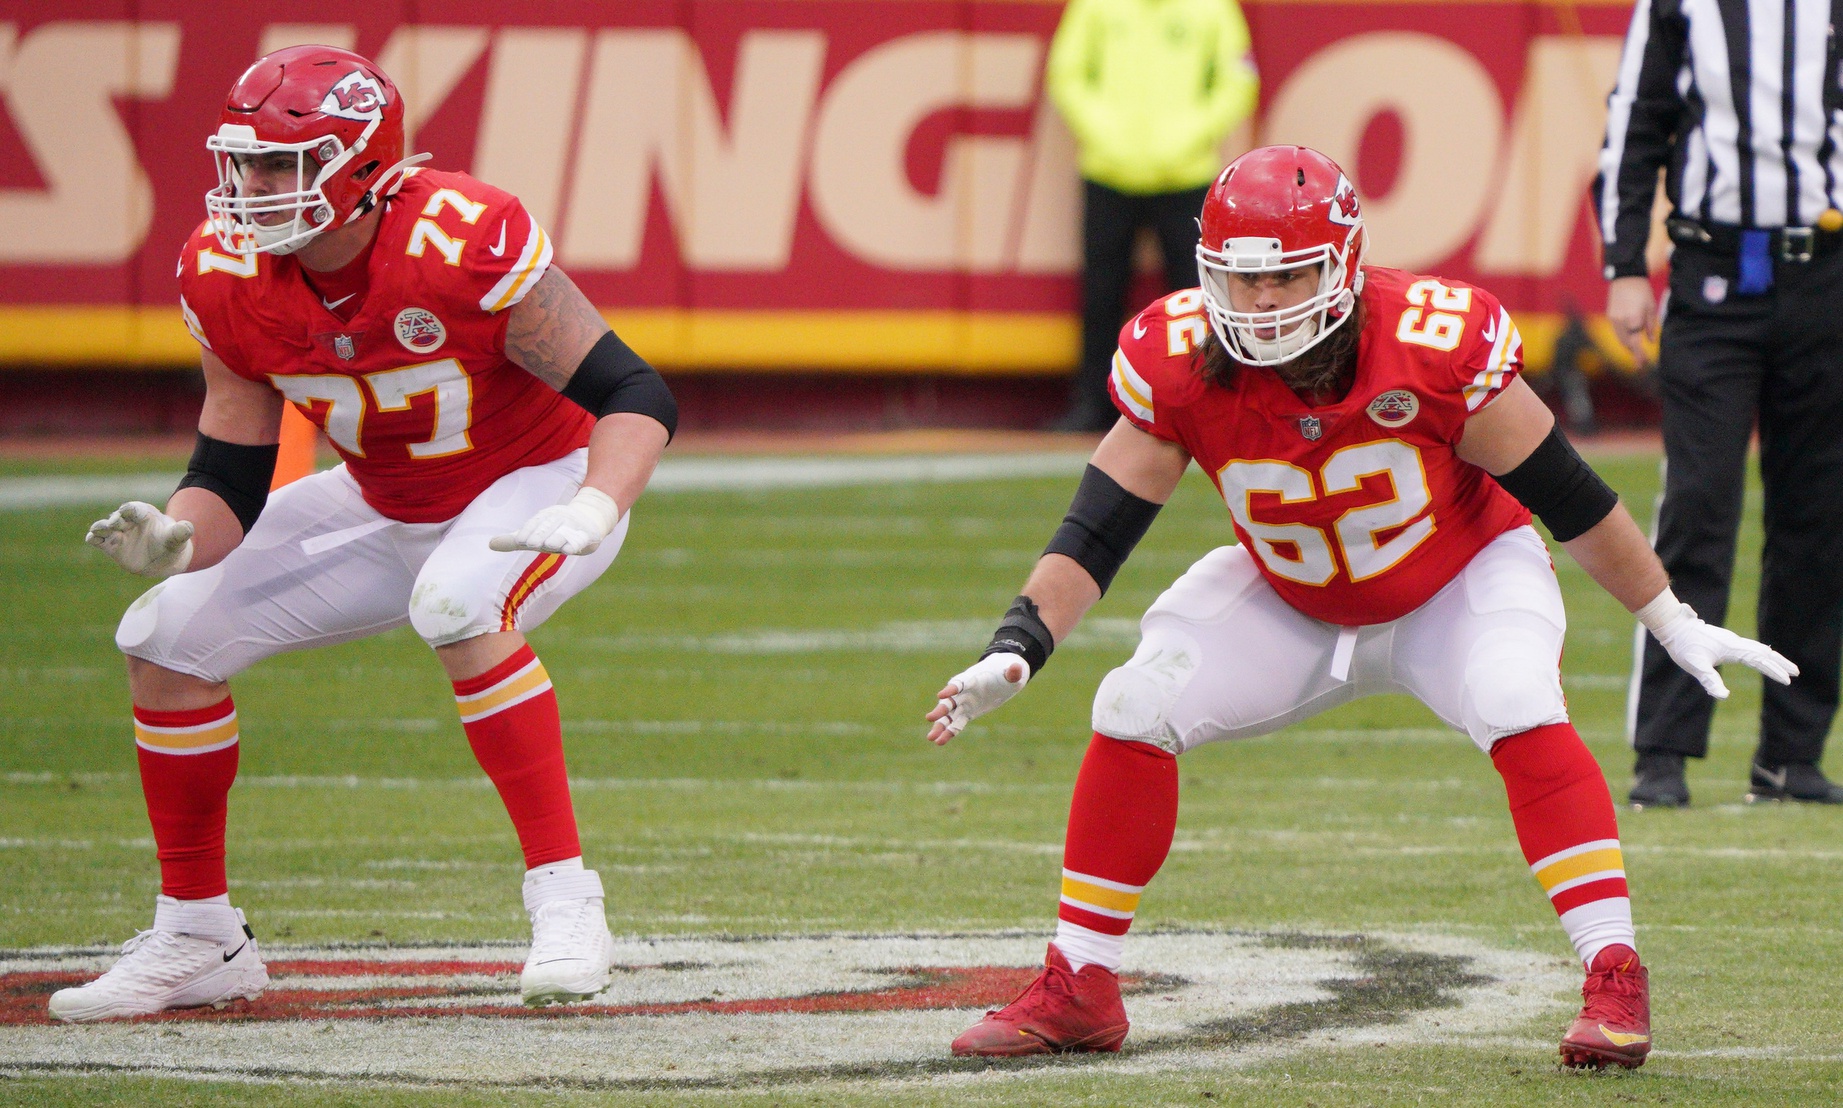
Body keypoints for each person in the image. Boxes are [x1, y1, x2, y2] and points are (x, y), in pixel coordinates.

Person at [925, 145, 1797, 1069]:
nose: (1261, 303)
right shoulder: (1177, 355)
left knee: (1513, 697)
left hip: (1456, 578)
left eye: (1286, 275)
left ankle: (1613, 975)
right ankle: (1081, 987)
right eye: (1241, 278)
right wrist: (1017, 646)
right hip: (1293, 592)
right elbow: (1097, 529)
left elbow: (1569, 496)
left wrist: (1669, 618)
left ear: (1340, 262)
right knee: (1132, 705)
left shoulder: (1430, 339)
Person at [54, 46, 677, 1021]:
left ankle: (567, 902)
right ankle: (199, 932)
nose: (250, 188)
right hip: (388, 498)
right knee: (162, 637)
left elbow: (634, 392)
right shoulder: (223, 272)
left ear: (360, 169)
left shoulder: (459, 237)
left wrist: (594, 505)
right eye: (243, 163)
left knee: (458, 602)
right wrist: (174, 537)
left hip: (537, 484)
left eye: (278, 166)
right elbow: (231, 475)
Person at [1595, 0, 1843, 808]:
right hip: (1713, 272)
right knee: (1698, 504)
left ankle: (1789, 755)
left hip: (1827, 272)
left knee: (1819, 516)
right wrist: (1625, 264)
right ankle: (1662, 751)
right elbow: (1637, 118)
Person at [1045, 0, 1259, 432]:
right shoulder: (1094, 7)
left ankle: (1202, 401)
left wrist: (1190, 133)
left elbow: (1239, 80)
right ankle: (1094, 403)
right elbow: (1066, 74)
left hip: (1186, 173)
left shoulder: (1213, 9)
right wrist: (1103, 130)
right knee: (1101, 292)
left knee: (1197, 297)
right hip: (1108, 170)